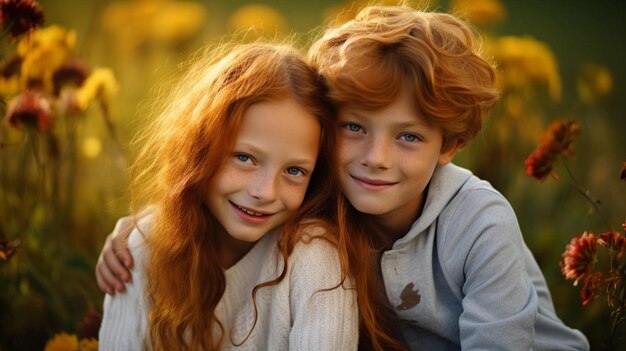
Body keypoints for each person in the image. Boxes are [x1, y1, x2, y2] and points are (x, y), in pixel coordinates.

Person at [97, 6, 590, 350]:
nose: (375, 158)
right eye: (355, 127)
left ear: (451, 146)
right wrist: (143, 228)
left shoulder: (480, 223)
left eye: (409, 138)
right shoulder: (321, 200)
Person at [97, 42, 359, 350]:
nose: (264, 192)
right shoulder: (141, 249)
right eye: (245, 158)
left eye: (295, 171)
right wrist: (143, 230)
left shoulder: (314, 257)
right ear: (200, 148)